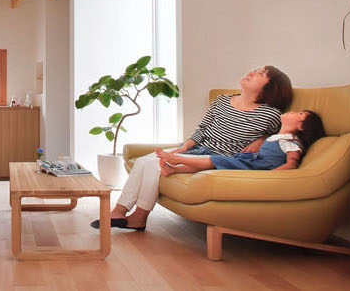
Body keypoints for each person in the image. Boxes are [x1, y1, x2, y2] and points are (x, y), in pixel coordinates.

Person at [96, 67, 293, 232]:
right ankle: (119, 211)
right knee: (143, 161)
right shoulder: (222, 101)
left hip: (219, 158)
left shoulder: (270, 114)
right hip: (197, 148)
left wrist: (262, 138)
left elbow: (280, 135)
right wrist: (183, 148)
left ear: (270, 87)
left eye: (260, 74)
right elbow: (202, 129)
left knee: (156, 166)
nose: (252, 72)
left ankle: (139, 217)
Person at [158, 107, 325, 176]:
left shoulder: (292, 143)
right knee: (214, 163)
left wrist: (270, 177)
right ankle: (173, 170)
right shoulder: (277, 137)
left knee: (213, 161)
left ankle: (177, 159)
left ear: (301, 126)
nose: (294, 111)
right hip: (250, 161)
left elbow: (292, 164)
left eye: (300, 114)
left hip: (258, 167)